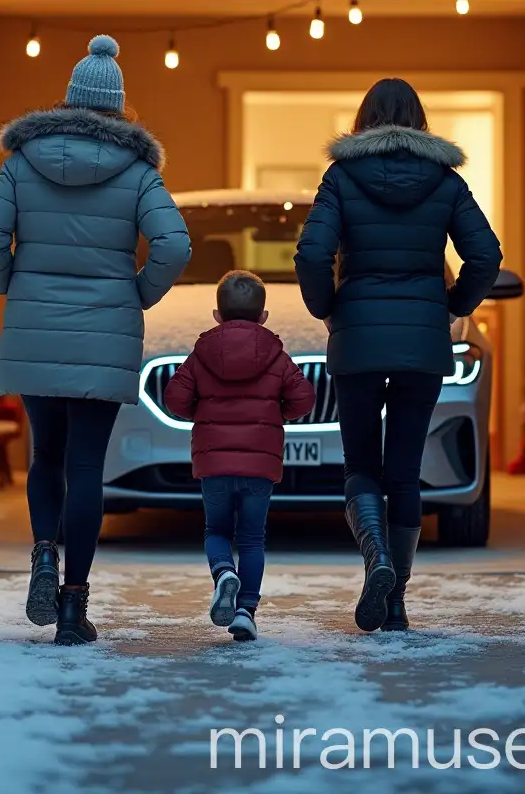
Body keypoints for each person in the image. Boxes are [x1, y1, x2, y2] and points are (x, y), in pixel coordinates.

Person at [0, 35, 191, 646]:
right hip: (104, 329)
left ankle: (44, 552)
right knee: (87, 465)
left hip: (36, 328)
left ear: (68, 98)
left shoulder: (21, 161)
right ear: (119, 107)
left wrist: (12, 283)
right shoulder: (139, 173)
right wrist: (137, 292)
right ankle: (73, 604)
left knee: (46, 456)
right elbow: (174, 246)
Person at [293, 78, 502, 633]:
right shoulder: (444, 180)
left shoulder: (341, 176)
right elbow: (485, 254)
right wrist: (451, 305)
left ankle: (376, 560)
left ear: (364, 118)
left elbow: (312, 251)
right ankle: (396, 601)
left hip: (358, 338)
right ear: (418, 118)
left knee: (362, 462)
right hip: (423, 341)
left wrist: (328, 307)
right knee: (405, 469)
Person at [163, 270, 316, 642]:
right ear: (263, 316)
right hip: (259, 467)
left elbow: (174, 398)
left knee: (216, 530)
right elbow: (304, 398)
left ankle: (223, 573)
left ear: (217, 314)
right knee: (251, 538)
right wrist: (277, 413)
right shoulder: (276, 354)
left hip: (213, 464)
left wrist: (201, 412)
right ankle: (246, 610)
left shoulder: (202, 353)